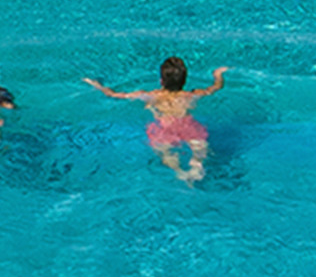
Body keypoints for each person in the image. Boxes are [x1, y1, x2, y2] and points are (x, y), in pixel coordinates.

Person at [84, 55, 225, 183]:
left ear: (161, 81)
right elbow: (216, 87)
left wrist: (98, 85)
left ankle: (178, 171)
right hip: (187, 125)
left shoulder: (151, 95)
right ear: (184, 80)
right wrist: (217, 74)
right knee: (199, 147)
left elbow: (114, 95)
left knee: (165, 151)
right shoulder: (192, 95)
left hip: (164, 127)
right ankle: (196, 167)